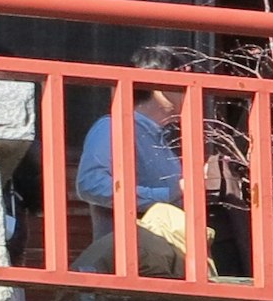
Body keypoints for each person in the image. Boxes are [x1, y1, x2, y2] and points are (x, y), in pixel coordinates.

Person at [71, 44, 251, 279]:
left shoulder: (160, 138)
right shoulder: (113, 126)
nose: (188, 89)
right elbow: (91, 184)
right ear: (158, 83)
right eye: (182, 76)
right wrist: (169, 193)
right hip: (133, 265)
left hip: (163, 262)